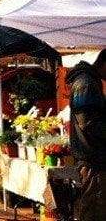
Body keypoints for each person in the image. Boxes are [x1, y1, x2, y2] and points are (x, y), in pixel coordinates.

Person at [66, 49, 106, 221]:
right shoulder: (86, 84)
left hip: (93, 158)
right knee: (93, 212)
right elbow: (89, 122)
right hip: (92, 160)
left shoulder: (90, 82)